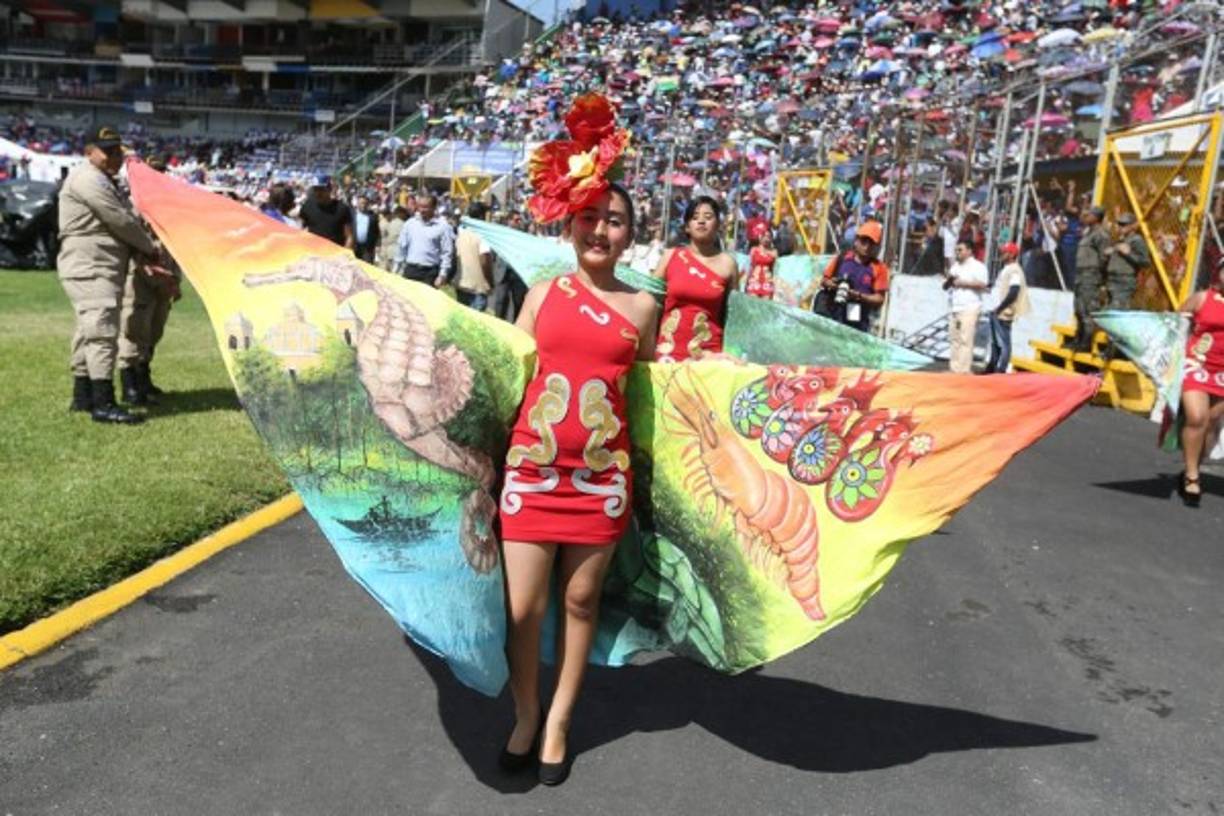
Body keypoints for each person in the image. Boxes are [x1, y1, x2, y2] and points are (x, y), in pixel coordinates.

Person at [500, 96, 657, 785]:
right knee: (522, 609)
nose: (600, 229)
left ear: (629, 237)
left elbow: (653, 393)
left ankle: (559, 722)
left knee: (580, 603)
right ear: (571, 224)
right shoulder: (542, 294)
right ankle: (525, 714)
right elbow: (507, 373)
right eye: (590, 216)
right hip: (531, 473)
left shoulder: (644, 307)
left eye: (614, 221)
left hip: (601, 481)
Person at [57, 126, 168, 424]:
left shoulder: (103, 179)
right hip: (91, 265)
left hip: (100, 265)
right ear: (89, 152)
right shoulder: (88, 179)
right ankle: (103, 403)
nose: (114, 157)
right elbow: (120, 220)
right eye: (107, 151)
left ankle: (83, 397)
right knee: (102, 331)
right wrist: (149, 249)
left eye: (117, 151)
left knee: (89, 330)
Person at [117, 155, 180, 406]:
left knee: (154, 330)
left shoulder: (170, 204)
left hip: (165, 275)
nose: (158, 176)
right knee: (134, 329)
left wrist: (175, 278)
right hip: (141, 274)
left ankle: (144, 377)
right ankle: (130, 384)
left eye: (161, 171)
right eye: (154, 171)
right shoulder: (134, 203)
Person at [652, 196, 739, 362]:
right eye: (695, 217)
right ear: (687, 226)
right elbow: (652, 305)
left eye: (708, 217)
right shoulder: (670, 256)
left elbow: (734, 317)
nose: (701, 221)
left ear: (718, 225)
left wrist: (731, 353)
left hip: (709, 356)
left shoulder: (728, 264)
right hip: (667, 353)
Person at [1175, 260, 1224, 507]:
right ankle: (1192, 476)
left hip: (1222, 373)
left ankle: (1191, 466)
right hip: (1196, 366)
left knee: (1212, 423)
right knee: (1197, 417)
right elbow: (1175, 324)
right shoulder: (1202, 298)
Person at [811, 220, 889, 333]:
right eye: (864, 241)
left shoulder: (879, 268)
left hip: (857, 320)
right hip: (832, 312)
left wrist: (859, 296)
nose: (867, 247)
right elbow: (824, 280)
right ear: (856, 241)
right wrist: (833, 285)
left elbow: (880, 298)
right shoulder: (843, 258)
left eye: (871, 243)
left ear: (876, 246)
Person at [944, 239, 989, 374]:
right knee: (955, 338)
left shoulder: (978, 266)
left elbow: (982, 284)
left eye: (960, 250)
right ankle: (954, 368)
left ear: (969, 251)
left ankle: (963, 370)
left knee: (965, 338)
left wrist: (964, 283)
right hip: (956, 306)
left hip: (970, 306)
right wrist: (949, 281)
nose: (957, 252)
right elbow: (947, 285)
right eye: (956, 250)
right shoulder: (955, 267)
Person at [983, 242, 1029, 374]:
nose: (1002, 254)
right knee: (995, 342)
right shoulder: (1007, 269)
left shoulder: (1014, 270)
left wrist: (1000, 308)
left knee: (1004, 343)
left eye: (1005, 252)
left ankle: (1001, 369)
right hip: (996, 310)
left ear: (1012, 255)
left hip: (1003, 312)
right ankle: (992, 367)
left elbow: (1014, 291)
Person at [395, 192, 454, 287]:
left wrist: (442, 275)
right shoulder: (410, 224)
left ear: (434, 207)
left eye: (425, 207)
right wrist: (396, 269)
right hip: (411, 270)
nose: (422, 210)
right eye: (420, 206)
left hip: (430, 273)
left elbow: (447, 252)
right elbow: (402, 247)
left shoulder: (443, 227)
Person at [1073, 205, 1110, 351]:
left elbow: (1104, 257)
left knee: (1088, 309)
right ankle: (1078, 339)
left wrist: (1099, 276)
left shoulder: (1101, 235)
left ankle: (1086, 342)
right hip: (1081, 275)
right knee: (1079, 308)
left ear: (1096, 217)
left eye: (1089, 215)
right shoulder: (1088, 233)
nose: (1086, 217)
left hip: (1091, 275)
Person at [453, 201, 495, 311]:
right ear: (482, 216)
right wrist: (490, 282)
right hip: (478, 287)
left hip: (462, 284)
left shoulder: (461, 232)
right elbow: (484, 261)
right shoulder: (482, 236)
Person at [1104, 212, 1150, 308]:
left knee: (1117, 310)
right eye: (1119, 224)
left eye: (1124, 224)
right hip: (1112, 280)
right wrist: (1112, 252)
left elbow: (1145, 262)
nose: (1121, 227)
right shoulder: (1121, 240)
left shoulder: (1136, 240)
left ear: (1132, 226)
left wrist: (1129, 254)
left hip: (1123, 282)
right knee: (1111, 309)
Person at [298, 176, 353, 248]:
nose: (318, 193)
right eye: (315, 189)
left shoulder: (342, 208)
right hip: (313, 251)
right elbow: (300, 231)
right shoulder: (307, 206)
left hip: (335, 252)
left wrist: (345, 252)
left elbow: (349, 237)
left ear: (330, 189)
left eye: (321, 189)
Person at [745, 222, 777, 300]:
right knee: (752, 304)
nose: (766, 239)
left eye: (769, 237)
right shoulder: (754, 250)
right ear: (760, 237)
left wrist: (775, 284)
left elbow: (775, 269)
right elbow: (750, 267)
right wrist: (746, 281)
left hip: (767, 282)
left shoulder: (774, 252)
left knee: (765, 305)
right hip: (754, 281)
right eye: (764, 236)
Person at [351, 194, 381, 264]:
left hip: (367, 248)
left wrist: (378, 245)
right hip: (354, 246)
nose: (363, 205)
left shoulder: (372, 216)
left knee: (367, 266)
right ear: (357, 204)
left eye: (365, 203)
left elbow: (377, 232)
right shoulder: (352, 215)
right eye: (361, 203)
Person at [379, 205, 407, 271]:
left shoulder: (389, 224)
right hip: (399, 253)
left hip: (389, 252)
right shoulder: (405, 225)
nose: (405, 216)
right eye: (405, 214)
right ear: (401, 213)